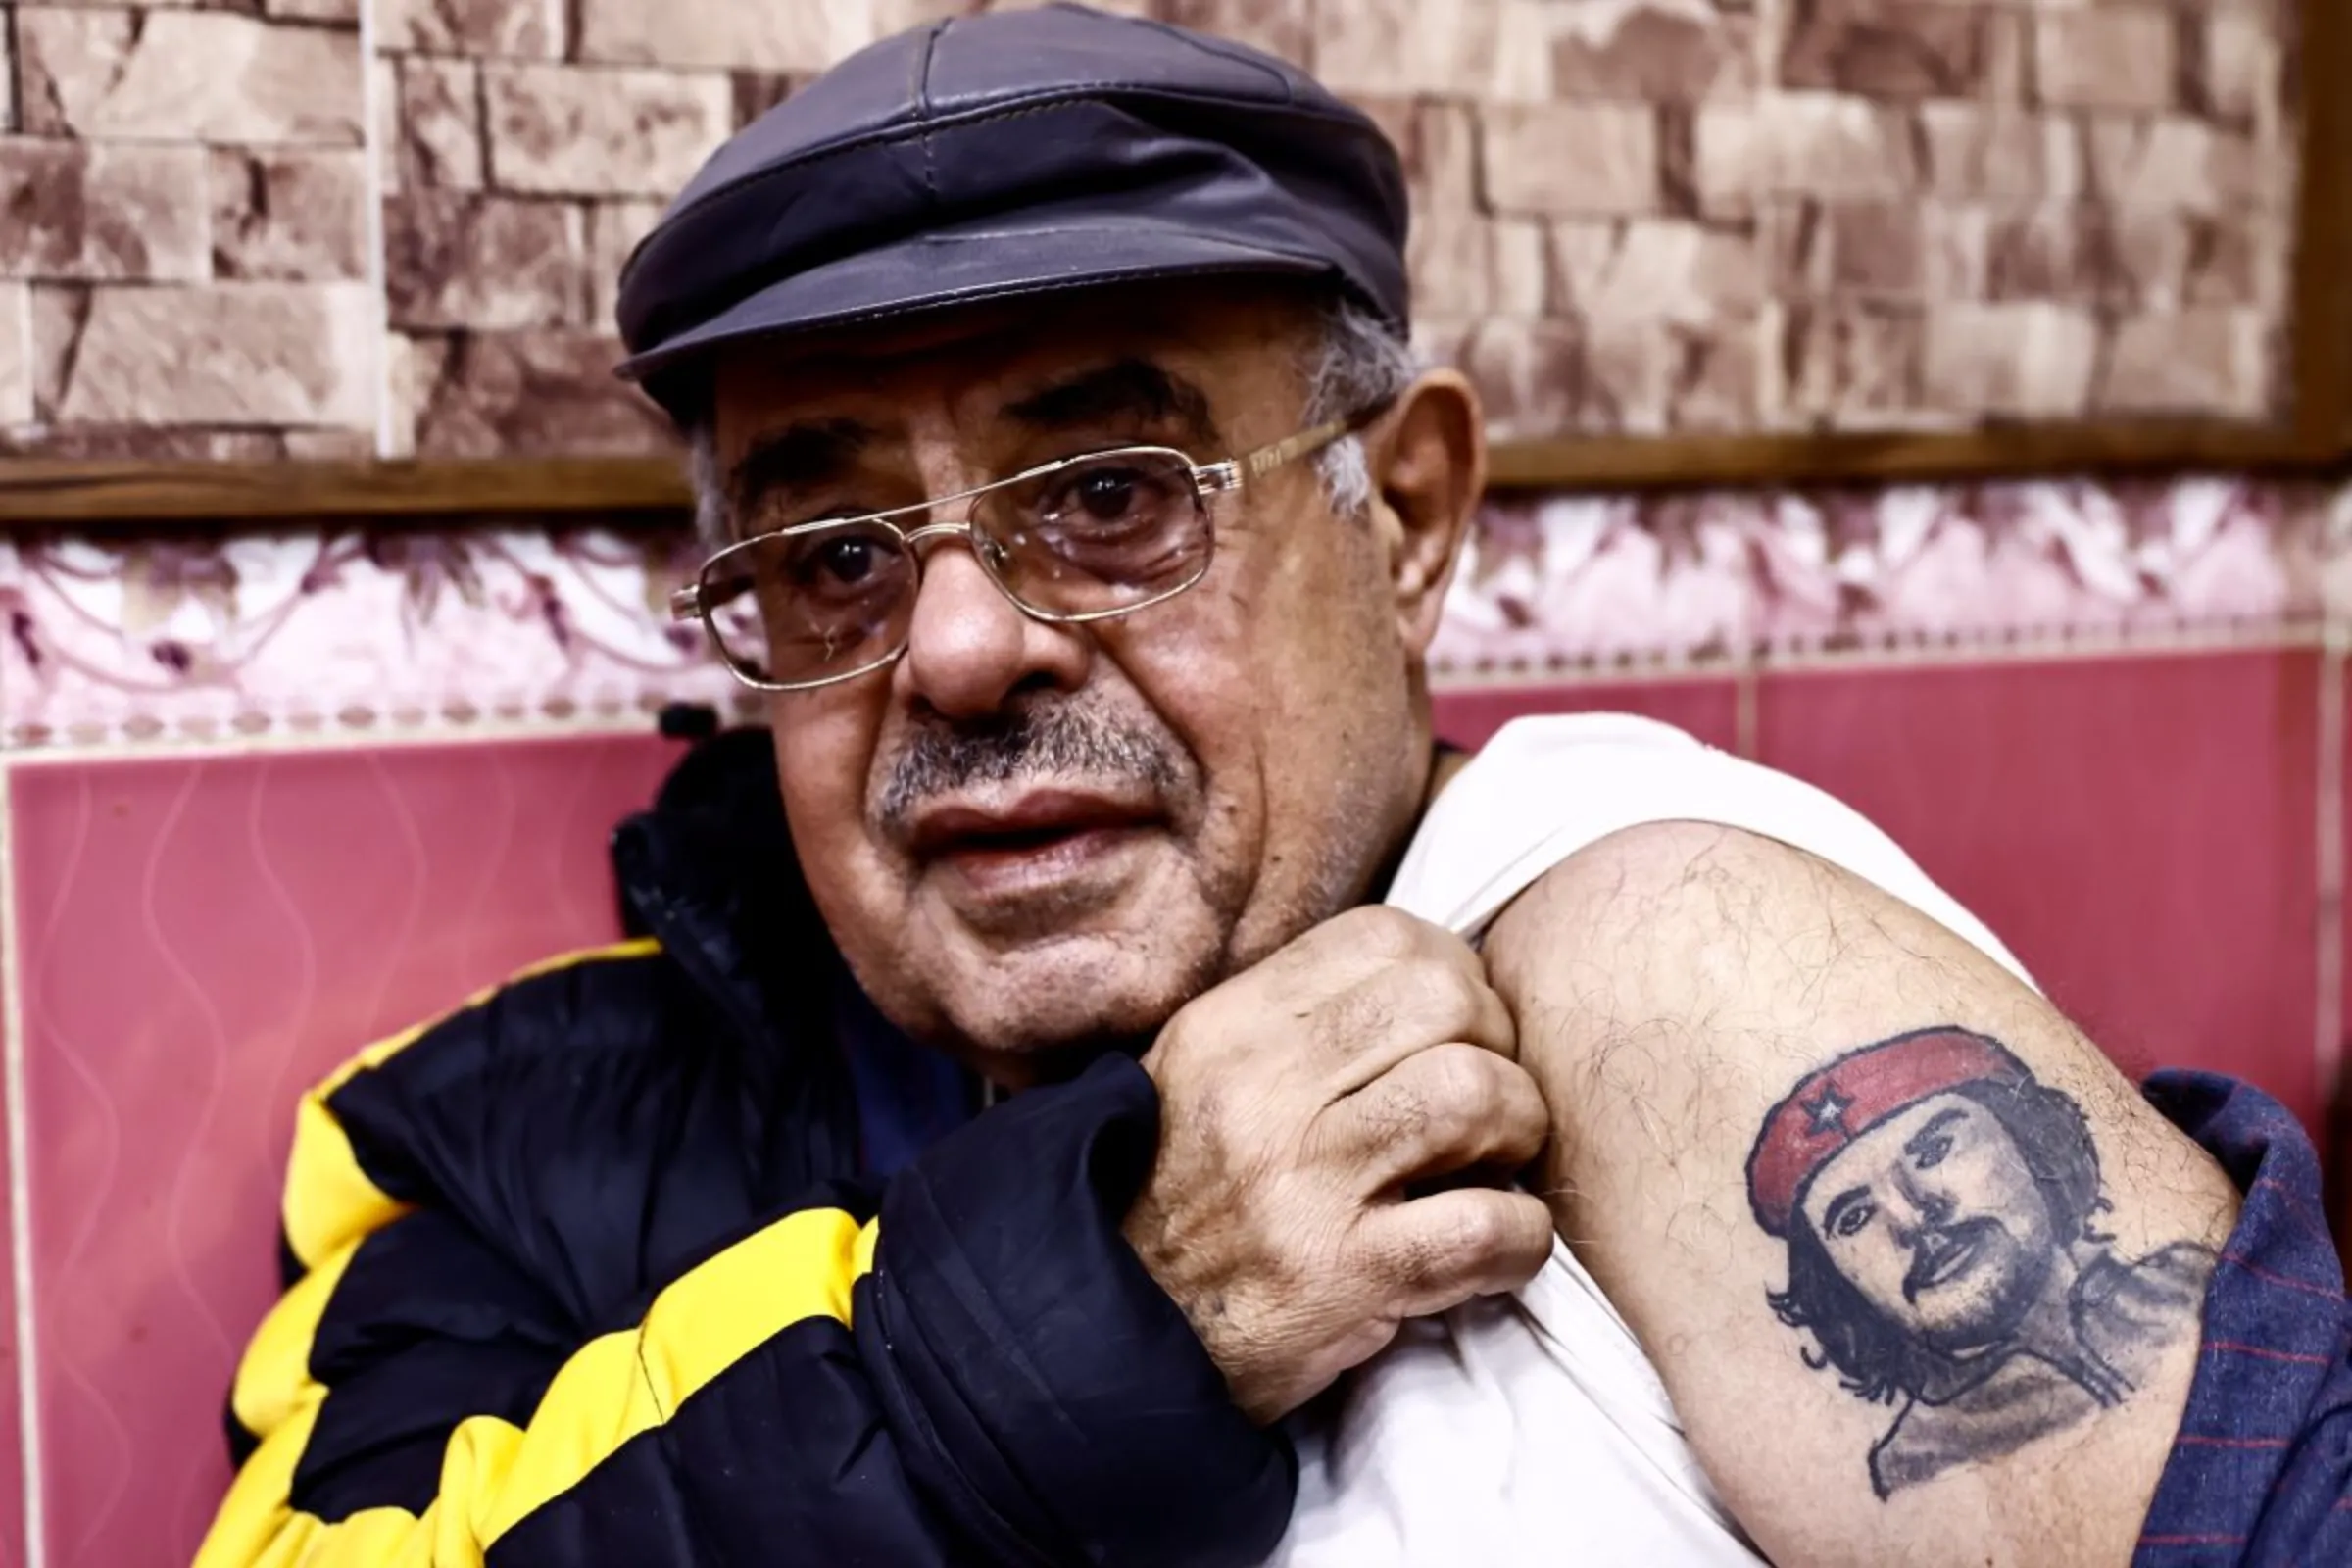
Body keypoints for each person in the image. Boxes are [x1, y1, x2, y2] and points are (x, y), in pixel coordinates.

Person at [196, 6, 2352, 1566]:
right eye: (835, 552)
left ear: (1405, 518)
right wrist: (1082, 1326)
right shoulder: (510, 1138)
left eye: (1115, 494)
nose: (955, 645)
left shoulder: (1647, 945)